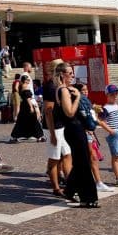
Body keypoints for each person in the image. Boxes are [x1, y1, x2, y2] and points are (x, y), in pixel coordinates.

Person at [55, 62, 98, 207]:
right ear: (62, 75)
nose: (73, 76)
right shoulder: (63, 91)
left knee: (80, 162)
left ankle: (69, 190)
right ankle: (88, 198)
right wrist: (78, 97)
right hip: (73, 128)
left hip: (76, 128)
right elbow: (70, 112)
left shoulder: (67, 89)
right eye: (70, 73)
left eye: (73, 73)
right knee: (84, 163)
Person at [76, 83, 113, 192]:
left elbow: (93, 119)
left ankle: (97, 181)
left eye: (87, 90)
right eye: (83, 90)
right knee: (91, 156)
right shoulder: (79, 102)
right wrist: (109, 129)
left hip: (89, 132)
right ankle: (96, 182)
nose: (85, 92)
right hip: (84, 132)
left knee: (92, 157)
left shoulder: (86, 103)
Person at [43, 58, 72, 197]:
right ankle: (55, 188)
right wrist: (53, 134)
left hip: (61, 126)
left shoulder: (59, 85)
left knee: (66, 154)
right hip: (53, 128)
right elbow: (48, 111)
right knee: (54, 157)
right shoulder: (50, 86)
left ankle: (70, 182)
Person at [9, 74, 45, 142]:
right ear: (24, 80)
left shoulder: (21, 86)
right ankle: (39, 136)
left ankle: (15, 136)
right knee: (33, 120)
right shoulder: (25, 87)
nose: (29, 81)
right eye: (27, 79)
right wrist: (31, 107)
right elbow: (27, 98)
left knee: (21, 121)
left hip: (24, 105)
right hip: (27, 106)